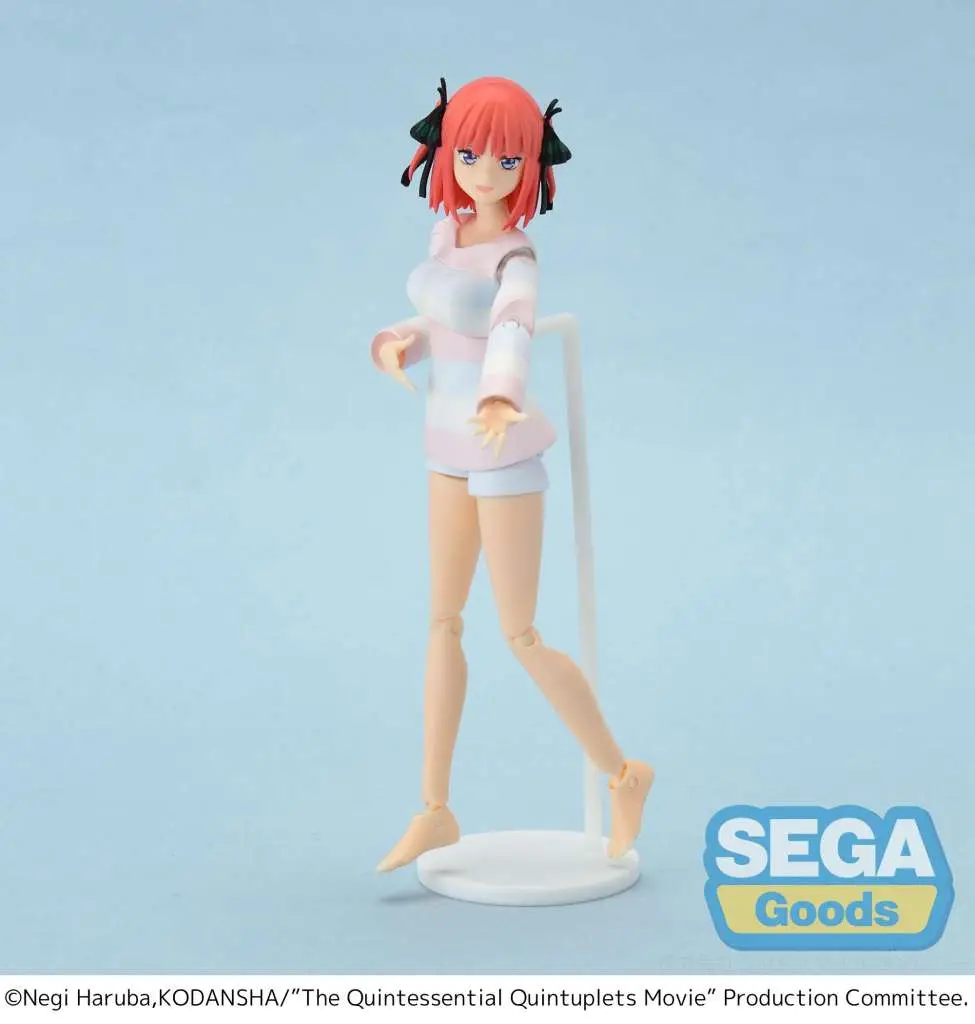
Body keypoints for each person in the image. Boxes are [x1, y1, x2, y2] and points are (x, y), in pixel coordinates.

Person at [370, 76, 654, 873]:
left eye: (506, 159)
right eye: (469, 153)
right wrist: (396, 341)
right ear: (443, 151)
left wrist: (500, 393)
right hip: (444, 442)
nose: (485, 172)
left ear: (531, 165)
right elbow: (439, 320)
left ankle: (623, 775)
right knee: (442, 621)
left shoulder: (516, 256)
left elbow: (510, 326)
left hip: (500, 447)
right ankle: (434, 809)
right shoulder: (446, 235)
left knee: (518, 632)